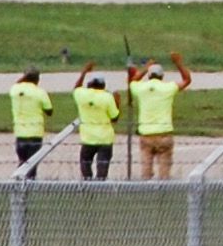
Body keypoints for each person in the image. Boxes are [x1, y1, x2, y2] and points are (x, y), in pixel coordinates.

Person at [127, 52, 192, 180]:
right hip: (164, 134)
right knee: (164, 171)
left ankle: (146, 191)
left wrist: (146, 67)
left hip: (146, 134)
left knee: (146, 170)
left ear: (149, 75)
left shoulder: (141, 88)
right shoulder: (168, 88)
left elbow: (132, 81)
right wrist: (178, 63)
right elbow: (187, 80)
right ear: (162, 76)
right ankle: (163, 192)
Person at [71, 61, 120, 181]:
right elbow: (114, 117)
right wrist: (117, 102)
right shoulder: (107, 97)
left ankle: (88, 182)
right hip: (105, 137)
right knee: (102, 164)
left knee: (85, 162)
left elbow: (76, 87)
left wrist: (84, 72)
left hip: (88, 137)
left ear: (90, 83)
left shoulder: (81, 94)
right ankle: (100, 184)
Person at [8, 66, 53, 179]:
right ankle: (30, 183)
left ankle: (19, 183)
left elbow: (16, 84)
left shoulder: (14, 90)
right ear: (37, 79)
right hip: (35, 132)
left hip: (20, 132)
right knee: (32, 163)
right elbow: (49, 111)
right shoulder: (40, 92)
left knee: (22, 161)